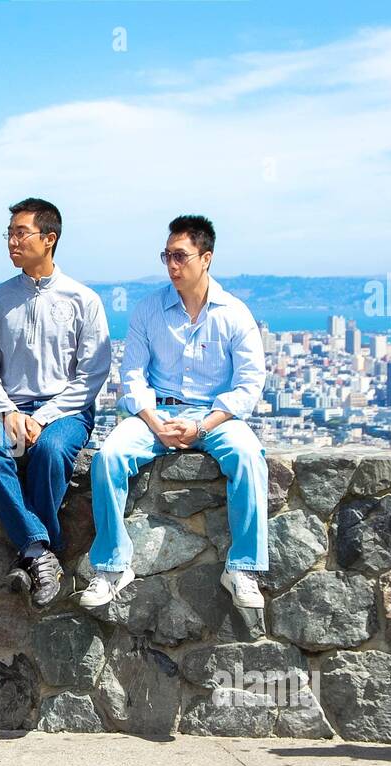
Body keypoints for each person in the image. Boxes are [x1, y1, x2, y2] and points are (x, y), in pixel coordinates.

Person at [79, 215, 269, 609]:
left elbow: (249, 384)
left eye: (181, 256)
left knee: (249, 457)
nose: (172, 265)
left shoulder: (234, 313)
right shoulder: (149, 310)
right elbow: (132, 374)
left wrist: (202, 425)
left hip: (214, 415)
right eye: (166, 256)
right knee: (109, 458)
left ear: (207, 258)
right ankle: (112, 566)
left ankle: (243, 568)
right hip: (155, 413)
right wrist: (154, 421)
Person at [0, 198, 112, 606]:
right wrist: (9, 412)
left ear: (49, 239)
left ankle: (31, 551)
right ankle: (40, 550)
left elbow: (92, 375)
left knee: (50, 450)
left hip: (66, 411)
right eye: (9, 233)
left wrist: (43, 417)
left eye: (20, 233)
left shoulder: (82, 299)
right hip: (9, 408)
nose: (11, 242)